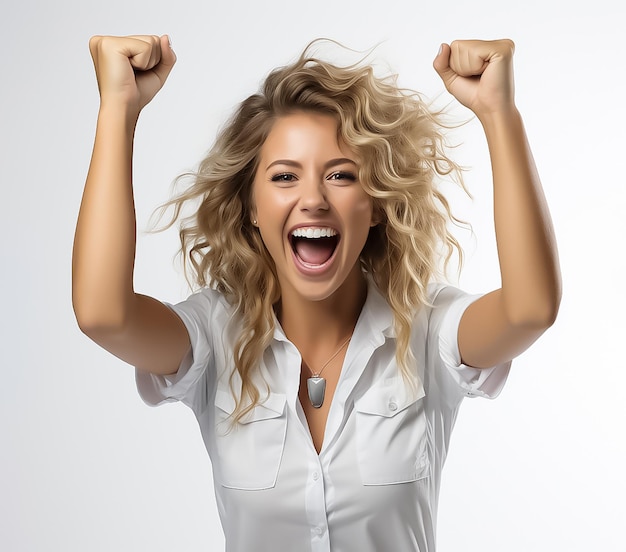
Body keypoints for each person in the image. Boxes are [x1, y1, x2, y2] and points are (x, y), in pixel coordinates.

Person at [73, 34, 561, 552]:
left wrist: (499, 113)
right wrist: (118, 109)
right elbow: (103, 314)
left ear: (375, 205)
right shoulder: (214, 334)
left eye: (341, 175)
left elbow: (530, 309)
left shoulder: (429, 328)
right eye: (284, 177)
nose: (313, 199)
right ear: (253, 209)